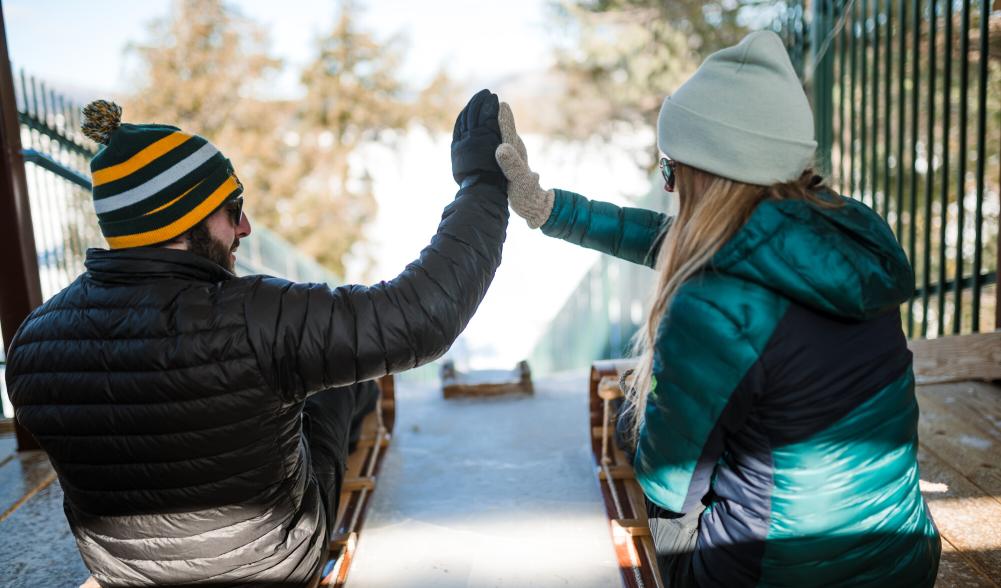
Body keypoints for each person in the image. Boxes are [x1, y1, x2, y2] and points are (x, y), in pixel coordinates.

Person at [5, 89, 509, 587]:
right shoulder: (256, 317)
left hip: (124, 573)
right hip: (272, 564)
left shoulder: (31, 345)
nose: (244, 226)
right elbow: (420, 317)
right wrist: (481, 182)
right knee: (341, 381)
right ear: (183, 218)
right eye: (232, 206)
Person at [495, 31, 941, 587]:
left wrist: (633, 424)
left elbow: (668, 485)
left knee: (629, 495)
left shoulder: (712, 304)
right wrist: (551, 209)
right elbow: (680, 241)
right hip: (902, 561)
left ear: (701, 173)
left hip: (775, 576)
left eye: (669, 168)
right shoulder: (845, 234)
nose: (668, 186)